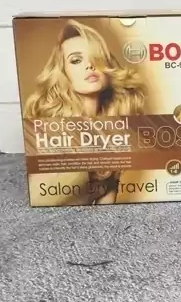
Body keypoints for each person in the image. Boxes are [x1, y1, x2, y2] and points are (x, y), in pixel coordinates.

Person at [24, 19, 146, 204]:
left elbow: (107, 207)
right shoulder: (52, 131)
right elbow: (40, 198)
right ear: (63, 73)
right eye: (76, 60)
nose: (89, 65)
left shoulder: (115, 132)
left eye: (96, 58)